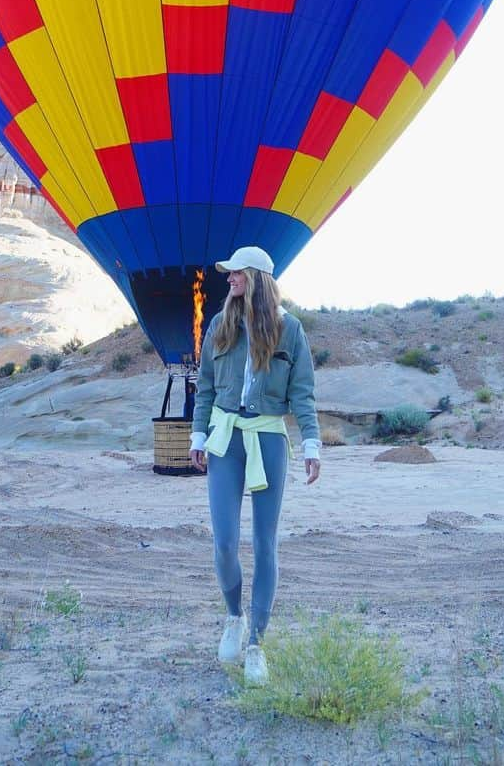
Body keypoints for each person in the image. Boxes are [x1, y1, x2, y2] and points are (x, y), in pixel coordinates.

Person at [189, 245, 321, 686]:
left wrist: (312, 444)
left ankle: (257, 645)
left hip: (267, 436)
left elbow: (302, 394)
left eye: (236, 273)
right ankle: (234, 617)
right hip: (226, 437)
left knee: (265, 543)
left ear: (257, 277)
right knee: (225, 542)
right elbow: (205, 386)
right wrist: (198, 435)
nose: (228, 279)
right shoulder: (219, 327)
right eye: (227, 274)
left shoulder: (291, 331)